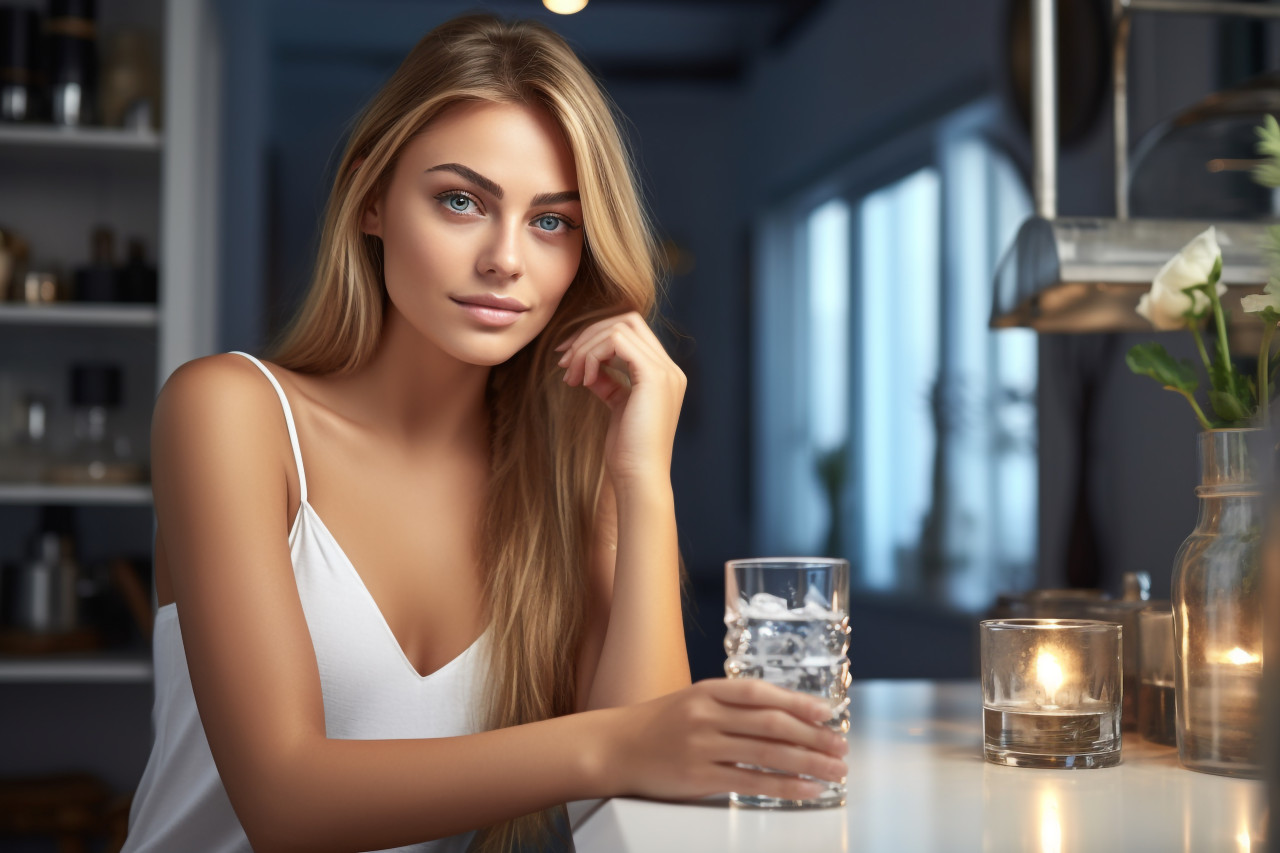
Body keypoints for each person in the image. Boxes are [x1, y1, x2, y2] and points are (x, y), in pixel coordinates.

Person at [122, 14, 846, 853]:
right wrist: (608, 745)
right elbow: (285, 799)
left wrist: (641, 477)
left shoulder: (562, 483)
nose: (506, 259)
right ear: (371, 201)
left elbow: (650, 792)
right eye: (460, 200)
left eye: (552, 221)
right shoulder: (231, 412)